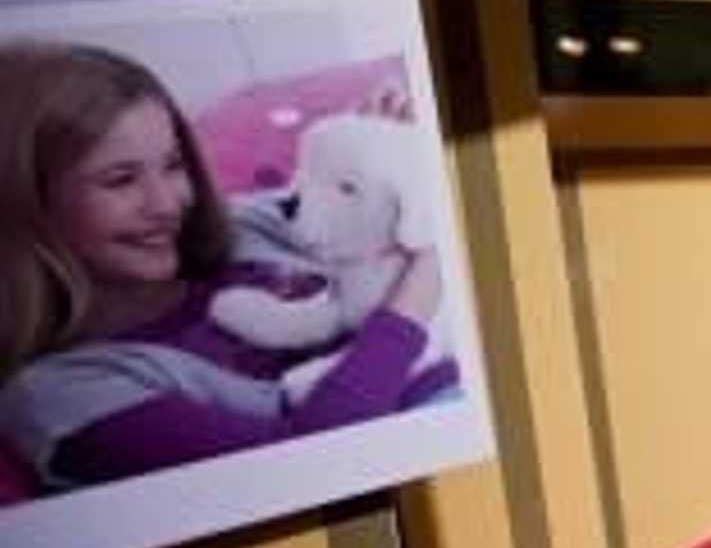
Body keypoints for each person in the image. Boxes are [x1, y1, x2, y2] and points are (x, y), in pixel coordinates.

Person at [0, 41, 451, 493]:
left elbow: (350, 206)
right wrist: (424, 272)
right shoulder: (58, 394)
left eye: (173, 165)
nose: (166, 204)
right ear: (22, 205)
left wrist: (376, 152)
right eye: (120, 180)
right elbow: (315, 467)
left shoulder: (240, 226)